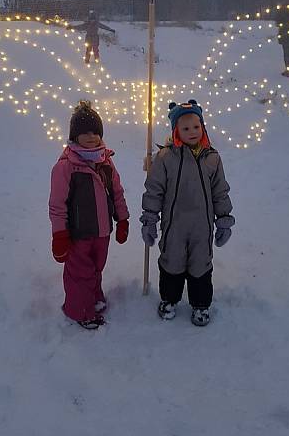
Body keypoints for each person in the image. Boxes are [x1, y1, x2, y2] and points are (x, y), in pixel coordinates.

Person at [140, 99, 234, 327]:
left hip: (202, 226)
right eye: (185, 128)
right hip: (174, 225)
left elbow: (220, 191)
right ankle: (169, 300)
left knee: (201, 264)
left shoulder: (212, 157)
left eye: (196, 126)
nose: (192, 132)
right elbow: (154, 191)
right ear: (176, 131)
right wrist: (150, 220)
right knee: (172, 262)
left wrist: (223, 220)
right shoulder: (166, 158)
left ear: (202, 127)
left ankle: (201, 304)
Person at [49, 100, 129, 329]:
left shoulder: (105, 161)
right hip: (78, 234)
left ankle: (93, 300)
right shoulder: (66, 167)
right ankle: (80, 310)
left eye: (96, 132)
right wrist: (60, 234)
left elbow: (117, 192)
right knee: (79, 273)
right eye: (85, 133)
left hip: (102, 232)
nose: (92, 136)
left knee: (96, 268)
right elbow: (57, 204)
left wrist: (122, 219)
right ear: (74, 136)